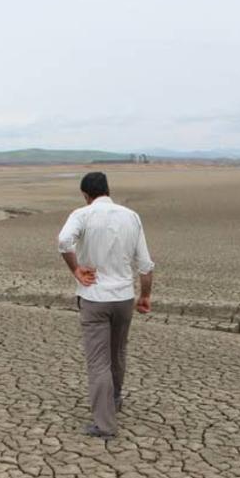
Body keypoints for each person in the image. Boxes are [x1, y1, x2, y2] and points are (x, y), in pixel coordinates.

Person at [58, 171, 154, 438]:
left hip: (95, 297)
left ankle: (104, 424)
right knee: (117, 353)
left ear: (86, 195)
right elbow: (145, 264)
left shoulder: (82, 215)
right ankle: (114, 401)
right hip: (123, 297)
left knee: (98, 361)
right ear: (107, 190)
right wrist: (145, 295)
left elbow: (64, 241)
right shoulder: (131, 216)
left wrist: (76, 270)